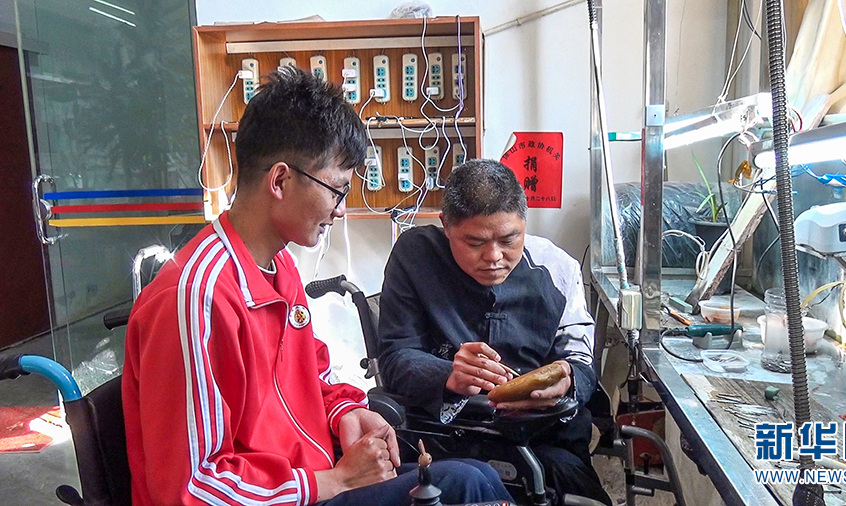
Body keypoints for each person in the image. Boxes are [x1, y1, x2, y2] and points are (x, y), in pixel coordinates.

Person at [122, 67, 512, 506]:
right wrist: (334, 482)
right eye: (336, 190)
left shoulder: (278, 267)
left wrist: (347, 411)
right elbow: (191, 488)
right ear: (280, 181)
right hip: (294, 493)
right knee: (462, 484)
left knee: (474, 477)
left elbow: (314, 376)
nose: (339, 211)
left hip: (310, 480)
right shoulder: (197, 298)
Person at [378, 159, 612, 506]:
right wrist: (447, 375)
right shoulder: (416, 257)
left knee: (576, 491)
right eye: (474, 242)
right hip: (444, 436)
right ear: (446, 225)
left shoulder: (557, 268)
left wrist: (567, 379)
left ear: (524, 224)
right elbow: (395, 355)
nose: (494, 257)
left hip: (539, 438)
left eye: (509, 239)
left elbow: (580, 360)